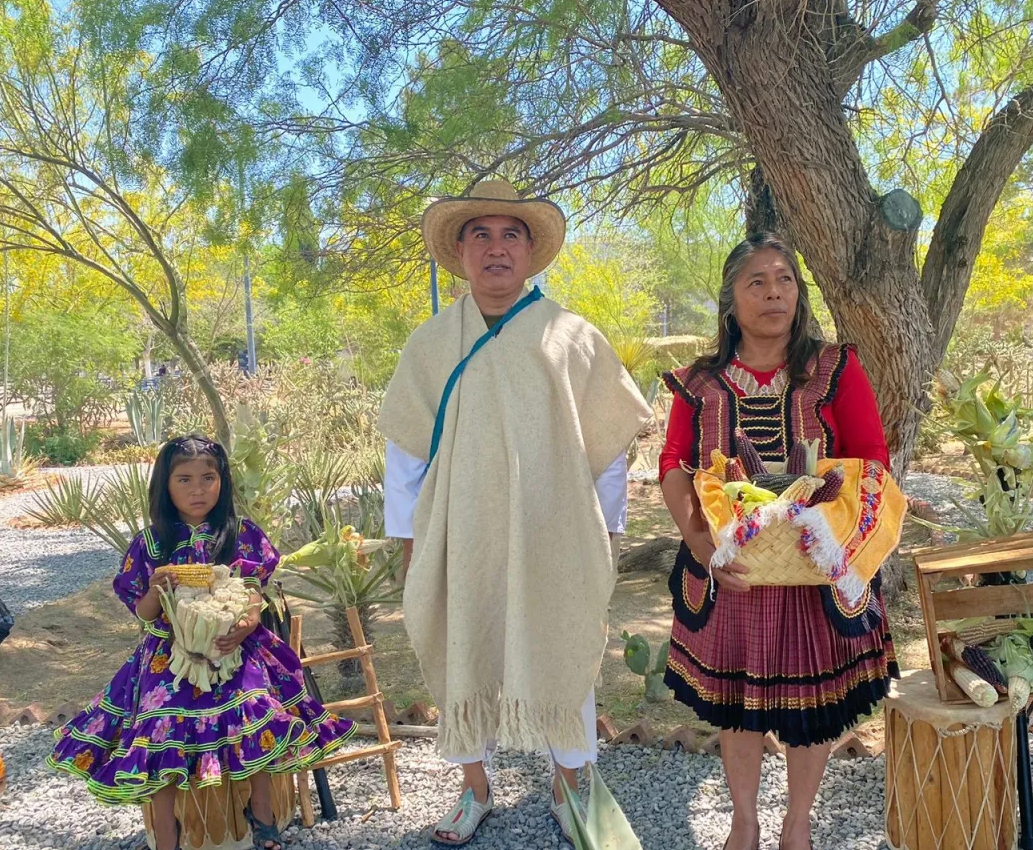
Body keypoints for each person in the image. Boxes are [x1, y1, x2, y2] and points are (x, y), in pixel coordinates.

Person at [379, 178, 651, 846]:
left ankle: (568, 784)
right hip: (458, 532)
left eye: (511, 235)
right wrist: (410, 536)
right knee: (462, 647)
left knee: (563, 644)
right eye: (481, 234)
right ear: (462, 253)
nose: (496, 248)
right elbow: (404, 450)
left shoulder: (571, 337)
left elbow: (609, 445)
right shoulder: (432, 343)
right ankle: (475, 788)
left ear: (530, 252)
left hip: (555, 530)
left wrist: (608, 529)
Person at [658, 233, 900, 850]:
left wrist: (833, 533)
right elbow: (674, 465)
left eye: (784, 280)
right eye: (756, 282)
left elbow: (871, 459)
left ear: (799, 292)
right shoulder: (700, 383)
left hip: (814, 574)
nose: (773, 293)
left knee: (810, 706)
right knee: (739, 703)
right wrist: (705, 546)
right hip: (731, 572)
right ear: (730, 300)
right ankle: (744, 821)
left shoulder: (834, 369)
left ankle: (798, 823)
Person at [48, 434, 358, 850]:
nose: (198, 489)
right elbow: (143, 612)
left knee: (256, 713)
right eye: (185, 480)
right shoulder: (151, 543)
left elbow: (253, 592)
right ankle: (166, 837)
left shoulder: (240, 534)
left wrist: (248, 623)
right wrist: (157, 588)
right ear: (165, 485)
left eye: (208, 478)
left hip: (235, 646)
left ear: (222, 481)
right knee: (160, 730)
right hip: (169, 655)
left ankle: (262, 817)